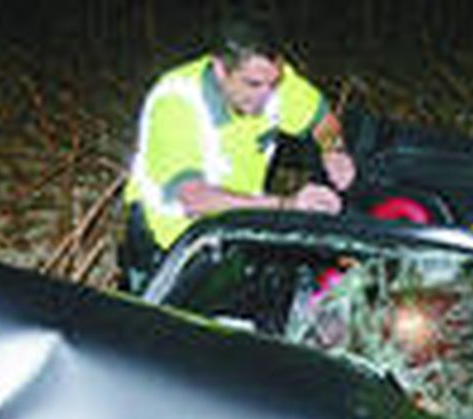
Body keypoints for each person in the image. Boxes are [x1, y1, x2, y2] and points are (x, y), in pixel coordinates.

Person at [119, 15, 355, 292]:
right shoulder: (177, 102)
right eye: (253, 84)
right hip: (170, 248)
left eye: (274, 83)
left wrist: (333, 149)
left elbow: (321, 117)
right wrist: (288, 206)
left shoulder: (272, 79)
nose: (267, 95)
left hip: (237, 231)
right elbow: (194, 198)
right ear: (220, 69)